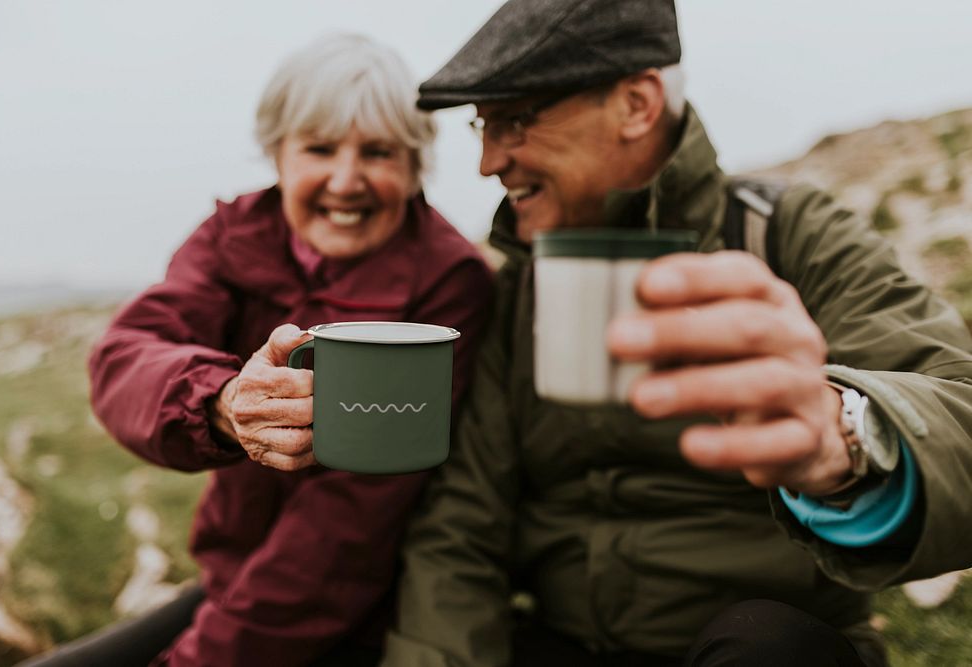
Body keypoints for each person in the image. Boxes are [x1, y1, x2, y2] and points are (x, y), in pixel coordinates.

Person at [381, 1, 972, 666]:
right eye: (480, 127)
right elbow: (462, 530)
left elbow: (960, 414)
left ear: (637, 104)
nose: (489, 161)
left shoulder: (788, 234)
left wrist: (847, 437)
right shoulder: (517, 286)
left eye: (515, 121)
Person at [88, 33, 492, 666]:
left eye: (379, 152)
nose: (346, 180)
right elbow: (127, 356)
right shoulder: (234, 236)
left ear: (416, 166)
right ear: (277, 154)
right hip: (232, 583)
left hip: (362, 616)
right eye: (320, 148)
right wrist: (222, 402)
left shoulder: (448, 285)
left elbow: (346, 532)